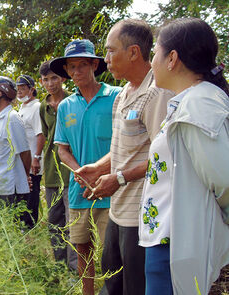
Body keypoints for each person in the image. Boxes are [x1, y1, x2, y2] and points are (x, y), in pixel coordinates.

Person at [75, 19, 174, 295]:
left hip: (141, 217)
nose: (106, 60)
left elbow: (164, 158)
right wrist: (97, 167)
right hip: (118, 212)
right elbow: (123, 148)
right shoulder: (124, 93)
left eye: (110, 51)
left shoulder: (156, 93)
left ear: (133, 52)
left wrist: (118, 178)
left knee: (134, 287)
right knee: (113, 282)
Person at [139, 18, 229, 295]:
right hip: (168, 240)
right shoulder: (188, 101)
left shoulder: (199, 103)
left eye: (155, 52)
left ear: (172, 58)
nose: (152, 61)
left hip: (179, 245)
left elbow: (223, 181)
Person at [50, 39, 121, 295]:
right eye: (72, 67)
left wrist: (100, 173)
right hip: (79, 192)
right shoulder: (66, 106)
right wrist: (80, 173)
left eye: (82, 65)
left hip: (112, 191)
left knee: (113, 256)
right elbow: (62, 149)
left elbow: (126, 142)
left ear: (94, 65)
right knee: (83, 250)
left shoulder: (115, 96)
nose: (77, 72)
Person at [38, 60, 77, 270]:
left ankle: (74, 271)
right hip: (52, 173)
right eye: (45, 79)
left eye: (54, 78)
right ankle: (60, 267)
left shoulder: (74, 101)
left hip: (71, 172)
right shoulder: (43, 107)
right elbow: (47, 136)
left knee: (73, 224)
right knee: (54, 223)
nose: (50, 83)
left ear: (62, 78)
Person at [0, 76, 32, 225]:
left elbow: (25, 152)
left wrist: (25, 176)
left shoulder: (12, 118)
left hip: (9, 191)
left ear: (1, 94)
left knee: (10, 233)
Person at [15, 74, 43, 229]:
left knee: (31, 198)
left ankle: (30, 230)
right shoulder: (22, 108)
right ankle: (23, 229)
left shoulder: (37, 107)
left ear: (32, 89)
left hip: (33, 163)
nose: (19, 92)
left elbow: (41, 134)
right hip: (22, 163)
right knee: (22, 198)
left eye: (23, 88)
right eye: (18, 89)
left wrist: (36, 158)